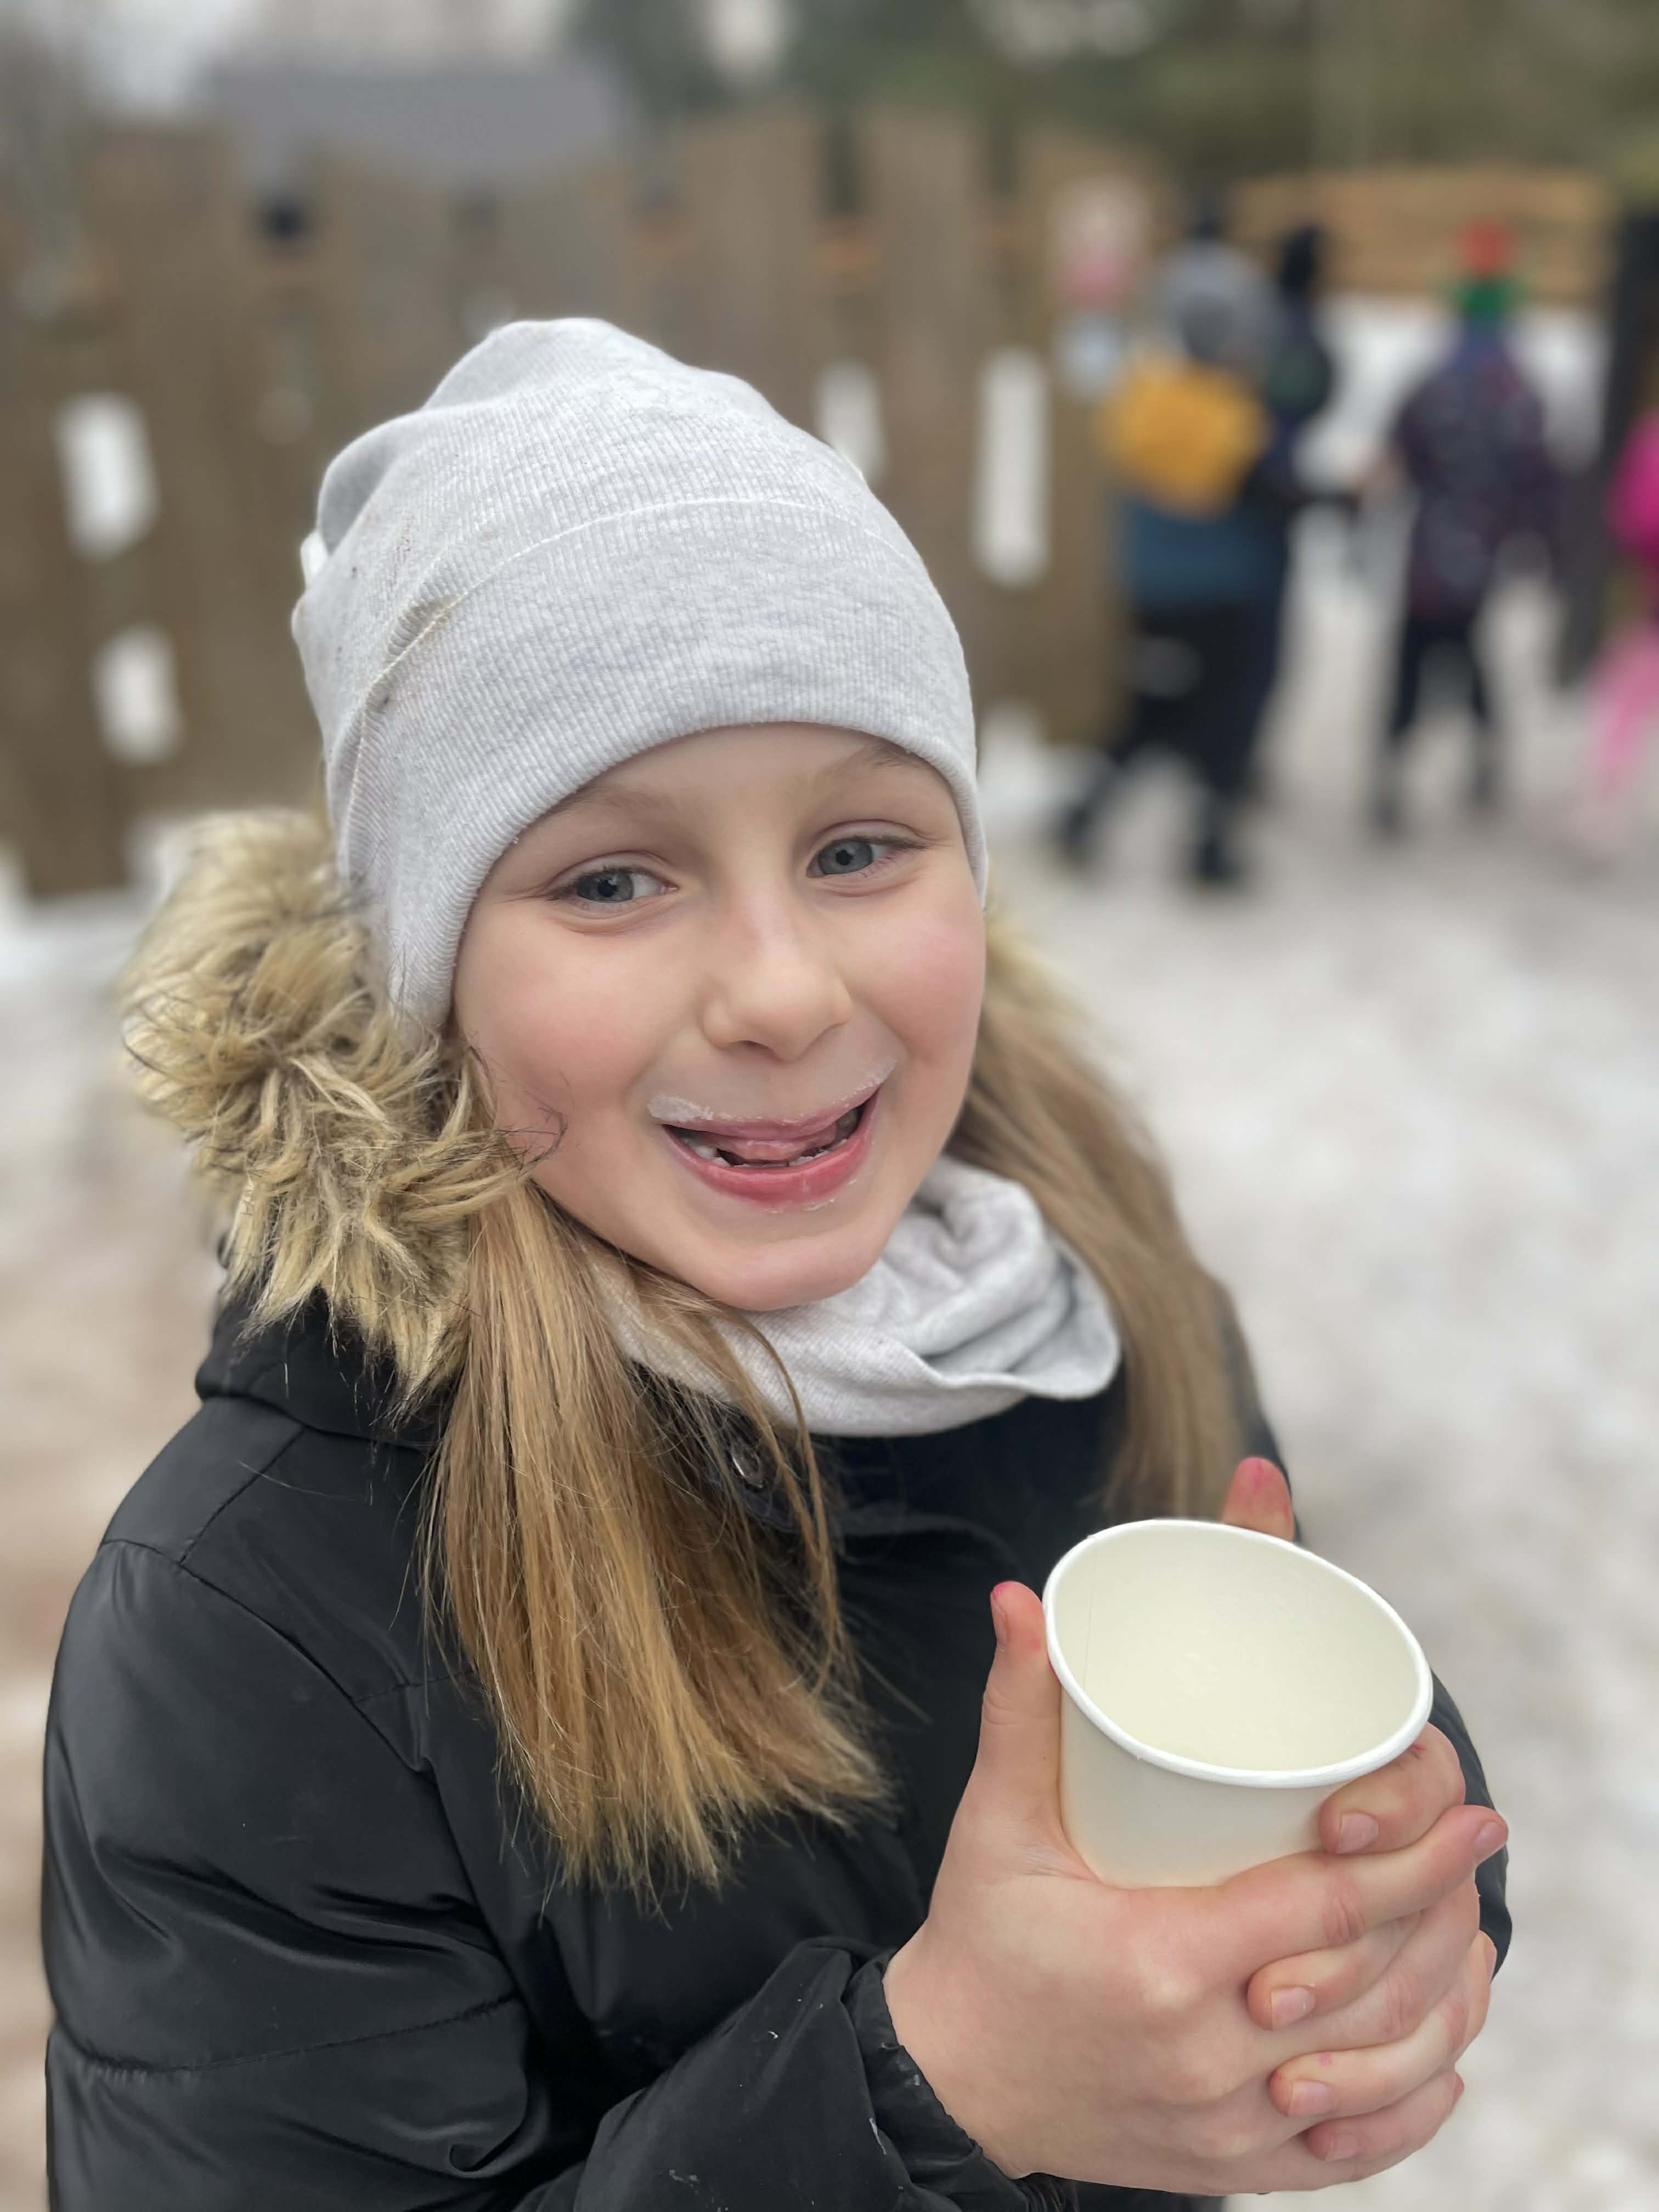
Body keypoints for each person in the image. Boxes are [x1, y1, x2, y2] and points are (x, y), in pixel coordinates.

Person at [42, 319, 1508, 2211]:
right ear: (429, 971)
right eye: (611, 879)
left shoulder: (1104, 1305)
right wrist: (938, 2096)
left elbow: (1289, 1791)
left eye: (859, 847)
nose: (783, 993)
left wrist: (1386, 1897)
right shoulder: (260, 1618)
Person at [1059, 211, 1280, 887]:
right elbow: (1261, 488)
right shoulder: (1231, 413)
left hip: (1152, 589)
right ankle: (1209, 845)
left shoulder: (1143, 398)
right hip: (1221, 594)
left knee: (1150, 711)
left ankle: (1085, 812)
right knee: (1221, 723)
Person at [1370, 226, 1560, 836]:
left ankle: (1393, 771)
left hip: (1431, 545)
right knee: (1467, 650)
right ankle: (1480, 758)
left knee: (1418, 655)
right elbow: (1540, 478)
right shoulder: (1519, 390)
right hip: (1481, 545)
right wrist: (1537, 543)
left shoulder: (1435, 383)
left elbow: (1397, 456)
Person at [1572, 405, 1659, 853]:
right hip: (1646, 595)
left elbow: (1633, 517)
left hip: (1647, 593)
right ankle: (1602, 812)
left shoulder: (1652, 439)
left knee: (1623, 707)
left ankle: (1603, 813)